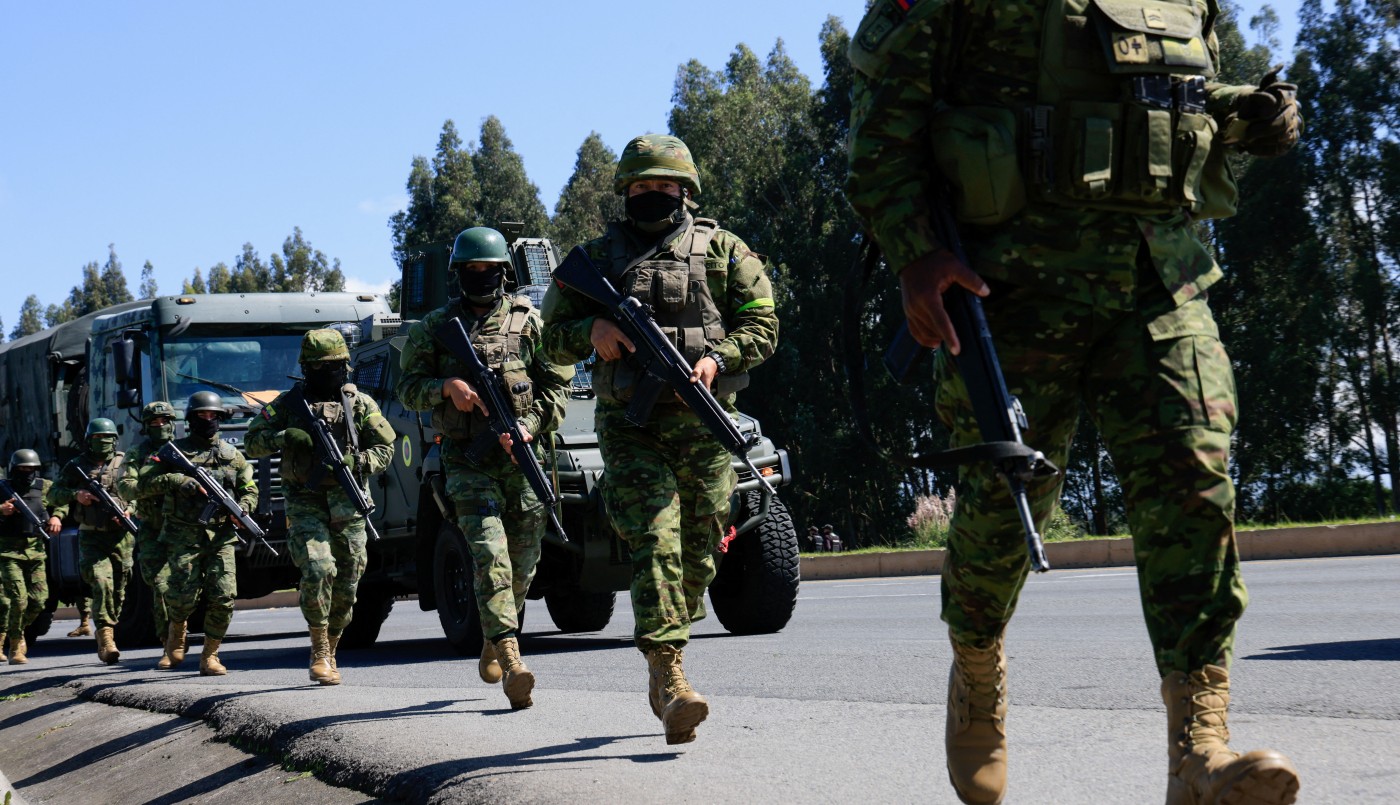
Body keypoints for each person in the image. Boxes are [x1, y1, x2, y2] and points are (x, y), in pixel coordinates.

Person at [846, 2, 1302, 803]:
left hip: (1160, 280)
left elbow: (1176, 98)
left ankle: (1200, 745)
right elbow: (883, 129)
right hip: (1010, 288)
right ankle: (978, 661)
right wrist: (915, 254)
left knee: (1196, 480)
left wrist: (1244, 115)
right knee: (1006, 503)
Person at [541, 134, 779, 744]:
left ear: (685, 191)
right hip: (632, 425)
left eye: (662, 186)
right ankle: (669, 674)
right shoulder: (594, 259)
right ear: (626, 191)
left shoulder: (724, 250)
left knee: (700, 548)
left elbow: (764, 323)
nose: (651, 195)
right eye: (640, 186)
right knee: (656, 535)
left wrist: (719, 360)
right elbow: (544, 338)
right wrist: (592, 329)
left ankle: (665, 650)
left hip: (703, 421)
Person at [397, 226, 573, 709]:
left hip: (522, 458)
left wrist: (531, 425)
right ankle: (514, 659)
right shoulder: (436, 327)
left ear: (503, 273)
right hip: (466, 460)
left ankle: (492, 638)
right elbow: (406, 388)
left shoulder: (529, 323)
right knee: (488, 554)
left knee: (521, 563)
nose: (480, 277)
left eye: (488, 270)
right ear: (458, 274)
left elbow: (557, 387)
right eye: (471, 270)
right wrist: (447, 387)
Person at [247, 329, 396, 685]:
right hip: (306, 502)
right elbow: (253, 442)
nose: (332, 372)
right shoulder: (287, 405)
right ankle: (318, 651)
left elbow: (385, 449)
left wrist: (355, 462)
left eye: (337, 365)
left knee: (347, 585)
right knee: (317, 568)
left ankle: (331, 647)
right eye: (322, 366)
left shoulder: (360, 403)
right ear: (307, 368)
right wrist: (283, 437)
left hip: (349, 507)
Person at [140, 391, 257, 675]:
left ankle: (210, 655)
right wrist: (178, 480)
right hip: (184, 535)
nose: (208, 420)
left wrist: (242, 507)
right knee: (182, 597)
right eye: (202, 416)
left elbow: (250, 489)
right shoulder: (173, 451)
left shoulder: (232, 455)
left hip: (221, 537)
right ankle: (176, 631)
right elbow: (143, 483)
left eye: (213, 416)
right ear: (192, 419)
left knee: (223, 596)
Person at [48, 418, 135, 664]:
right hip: (92, 536)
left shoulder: (125, 463)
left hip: (122, 537)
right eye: (97, 438)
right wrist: (77, 495)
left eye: (107, 438)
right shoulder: (77, 465)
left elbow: (138, 491)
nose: (103, 442)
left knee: (119, 589)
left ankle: (108, 626)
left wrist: (130, 510)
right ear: (88, 440)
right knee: (101, 583)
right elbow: (54, 493)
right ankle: (106, 638)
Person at [118, 401, 179, 667]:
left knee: (194, 588)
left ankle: (199, 641)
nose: (160, 426)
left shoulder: (185, 450)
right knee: (160, 586)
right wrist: (164, 481)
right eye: (154, 423)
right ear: (145, 427)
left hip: (186, 530)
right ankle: (169, 643)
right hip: (153, 531)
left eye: (164, 421)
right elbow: (127, 488)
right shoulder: (136, 454)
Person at [0, 449, 64, 663]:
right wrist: (1, 509)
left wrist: (56, 516)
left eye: (32, 469)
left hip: (36, 552)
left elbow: (62, 499)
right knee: (18, 600)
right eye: (22, 469)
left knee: (38, 601)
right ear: (14, 469)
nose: (27, 473)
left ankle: (10, 630)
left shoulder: (44, 486)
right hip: (8, 552)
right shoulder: (2, 488)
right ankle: (16, 644)